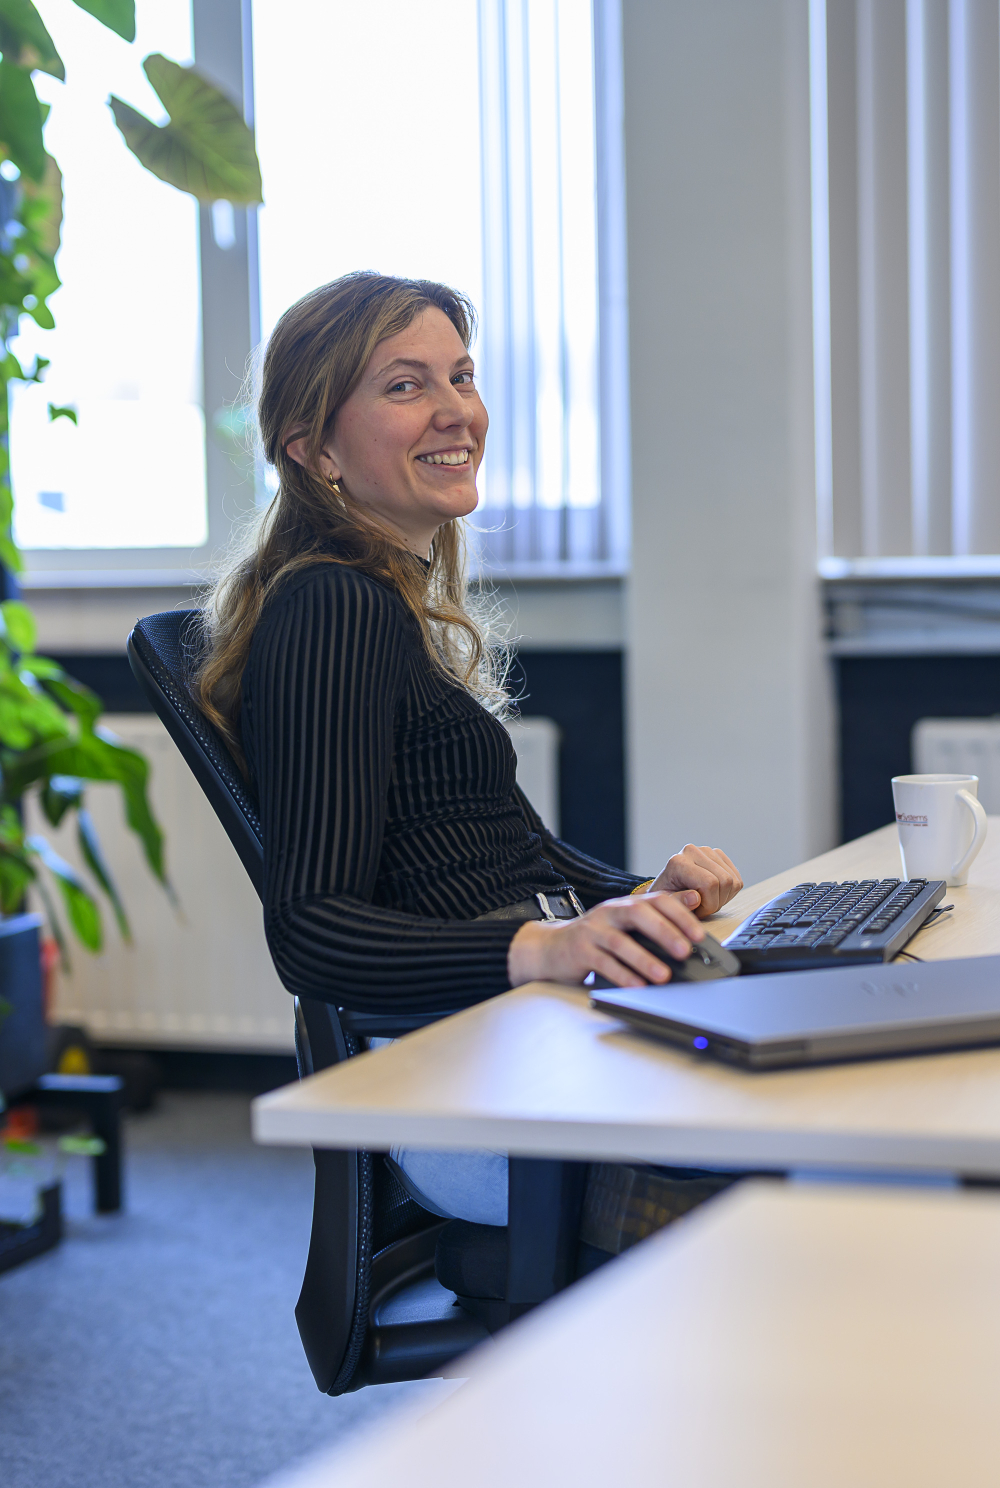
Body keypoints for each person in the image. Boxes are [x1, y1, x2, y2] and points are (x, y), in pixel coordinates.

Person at [196, 271, 742, 1226]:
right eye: (406, 385)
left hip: (515, 1043)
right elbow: (313, 931)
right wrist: (546, 947)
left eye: (462, 375)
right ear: (313, 447)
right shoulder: (331, 607)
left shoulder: (385, 604)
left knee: (818, 1106)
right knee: (822, 1172)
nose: (457, 411)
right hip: (462, 1087)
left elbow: (503, 856)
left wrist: (638, 898)